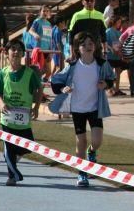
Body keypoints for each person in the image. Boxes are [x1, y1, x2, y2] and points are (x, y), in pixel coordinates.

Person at [49, 32, 115, 188]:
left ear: (95, 46)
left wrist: (105, 84)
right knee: (81, 142)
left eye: (90, 44)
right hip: (77, 109)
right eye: (83, 44)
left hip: (94, 108)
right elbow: (56, 82)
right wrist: (63, 88)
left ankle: (92, 152)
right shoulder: (72, 66)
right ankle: (82, 173)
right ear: (78, 49)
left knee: (97, 141)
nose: (88, 47)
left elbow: (111, 79)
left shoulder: (101, 63)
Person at [0, 40, 42, 186]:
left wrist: (36, 107)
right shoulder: (3, 73)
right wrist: (2, 104)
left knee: (28, 146)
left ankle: (13, 160)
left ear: (23, 53)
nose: (16, 52)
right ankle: (12, 176)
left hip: (23, 119)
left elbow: (38, 90)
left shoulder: (29, 73)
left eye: (19, 49)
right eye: (12, 49)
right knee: (8, 148)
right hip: (7, 118)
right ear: (6, 53)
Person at [28, 6, 54, 80]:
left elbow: (49, 38)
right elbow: (30, 30)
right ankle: (36, 86)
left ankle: (39, 84)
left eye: (47, 11)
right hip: (39, 49)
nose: (45, 13)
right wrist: (35, 34)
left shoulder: (48, 23)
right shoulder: (37, 21)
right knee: (40, 70)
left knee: (49, 72)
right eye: (44, 11)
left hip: (47, 50)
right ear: (40, 12)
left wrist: (50, 51)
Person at [105, 16, 127, 96]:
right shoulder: (108, 31)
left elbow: (121, 43)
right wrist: (111, 49)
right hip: (110, 56)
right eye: (119, 22)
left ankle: (117, 89)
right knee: (110, 73)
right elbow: (105, 43)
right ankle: (110, 89)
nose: (120, 24)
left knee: (118, 72)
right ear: (114, 22)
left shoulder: (119, 32)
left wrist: (121, 52)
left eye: (120, 22)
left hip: (117, 56)